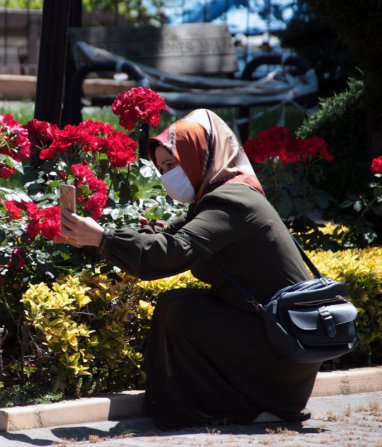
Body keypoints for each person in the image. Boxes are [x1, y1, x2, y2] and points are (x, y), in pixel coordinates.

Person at [56, 108, 320, 429]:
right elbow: (170, 237)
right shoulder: (215, 197)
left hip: (283, 351)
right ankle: (178, 403)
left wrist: (101, 239)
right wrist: (118, 232)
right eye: (163, 168)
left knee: (182, 314)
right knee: (177, 305)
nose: (168, 176)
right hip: (276, 339)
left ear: (200, 155)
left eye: (173, 164)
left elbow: (175, 252)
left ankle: (253, 405)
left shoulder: (232, 201)